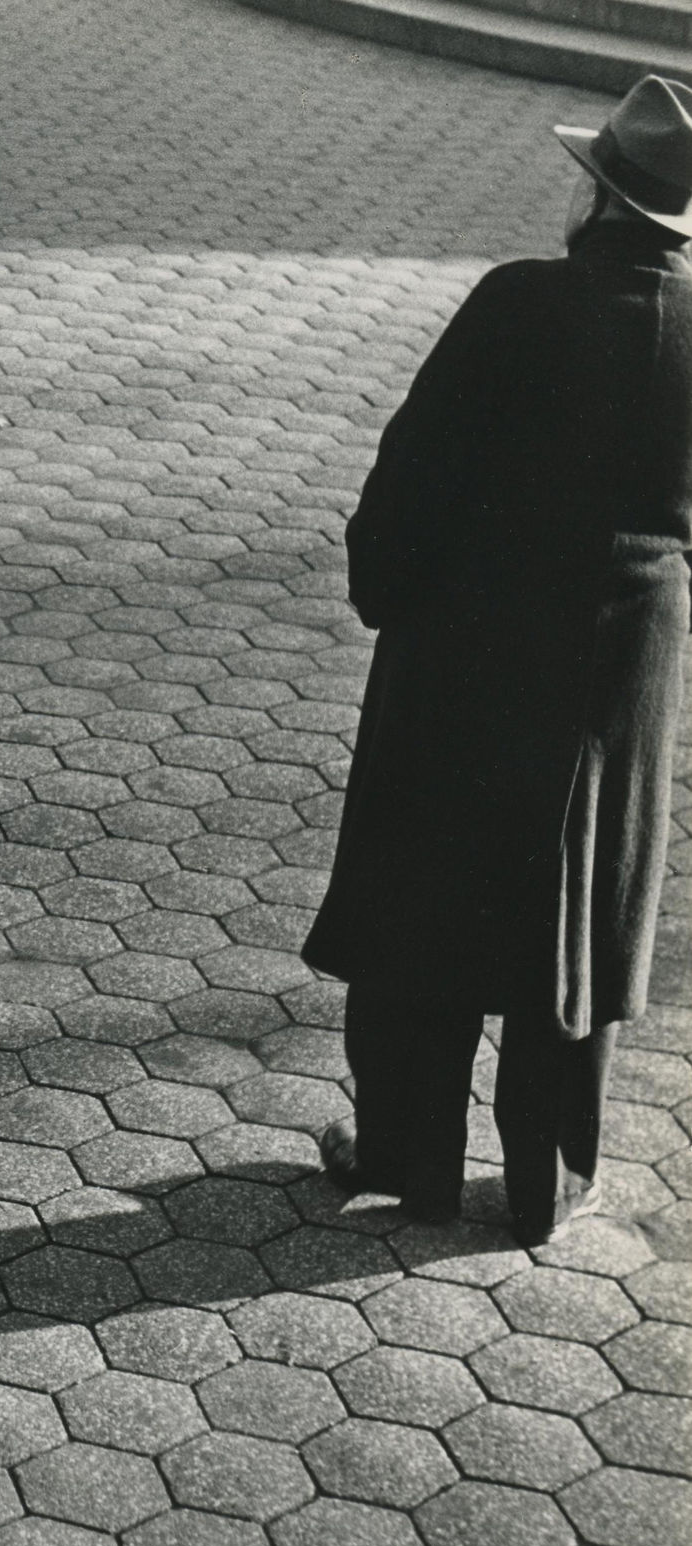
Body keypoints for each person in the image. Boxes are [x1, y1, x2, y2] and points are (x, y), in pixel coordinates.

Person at [303, 75, 692, 1247]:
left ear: (592, 195)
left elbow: (413, 462)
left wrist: (383, 584)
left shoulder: (519, 302)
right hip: (621, 671)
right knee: (578, 900)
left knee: (429, 887)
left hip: (468, 648)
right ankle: (545, 1180)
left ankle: (406, 1155)